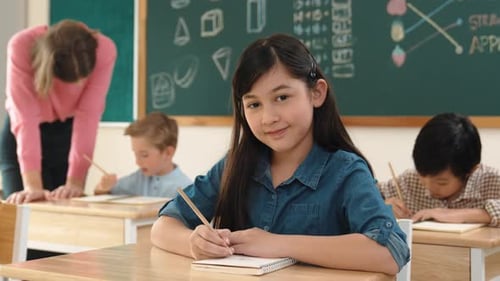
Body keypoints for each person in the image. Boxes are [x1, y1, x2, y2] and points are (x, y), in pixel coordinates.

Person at [150, 33, 409, 275]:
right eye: (253, 104)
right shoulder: (236, 164)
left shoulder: (345, 171)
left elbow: (390, 252)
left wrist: (277, 244)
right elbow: (162, 227)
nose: (268, 118)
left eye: (282, 97)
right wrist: (193, 243)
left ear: (316, 93)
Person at [0, 19, 117, 204]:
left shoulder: (104, 49)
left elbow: (88, 116)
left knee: (64, 213)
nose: (79, 85)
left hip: (67, 135)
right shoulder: (21, 46)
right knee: (22, 213)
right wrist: (32, 186)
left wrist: (75, 183)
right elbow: (26, 119)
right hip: (23, 135)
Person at [378, 113, 500, 226]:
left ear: (470, 171)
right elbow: (364, 193)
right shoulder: (410, 180)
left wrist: (460, 214)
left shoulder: (490, 180)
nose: (429, 188)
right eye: (422, 176)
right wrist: (382, 205)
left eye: (441, 182)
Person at [93, 112, 192, 197]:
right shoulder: (137, 179)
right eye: (135, 154)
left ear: (168, 152)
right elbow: (101, 195)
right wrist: (103, 187)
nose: (137, 162)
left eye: (144, 155)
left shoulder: (186, 189)